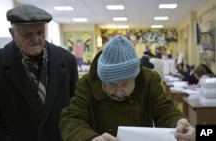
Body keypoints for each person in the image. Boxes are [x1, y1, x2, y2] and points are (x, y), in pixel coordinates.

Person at [0, 4, 78, 141]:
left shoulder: (67, 60)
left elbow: (76, 109)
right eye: (27, 34)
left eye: (40, 32)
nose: (36, 39)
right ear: (12, 33)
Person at [59, 35, 195, 141]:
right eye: (111, 84)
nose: (119, 92)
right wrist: (92, 138)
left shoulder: (149, 80)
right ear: (101, 79)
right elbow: (71, 119)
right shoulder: (88, 83)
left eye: (125, 84)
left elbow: (165, 110)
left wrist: (178, 123)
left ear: (135, 77)